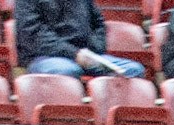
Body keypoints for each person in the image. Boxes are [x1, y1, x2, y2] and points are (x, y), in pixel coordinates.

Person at [16, 0, 149, 78]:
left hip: (86, 56)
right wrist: (74, 54)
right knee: (68, 70)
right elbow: (33, 34)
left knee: (133, 70)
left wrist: (93, 50)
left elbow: (98, 24)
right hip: (44, 56)